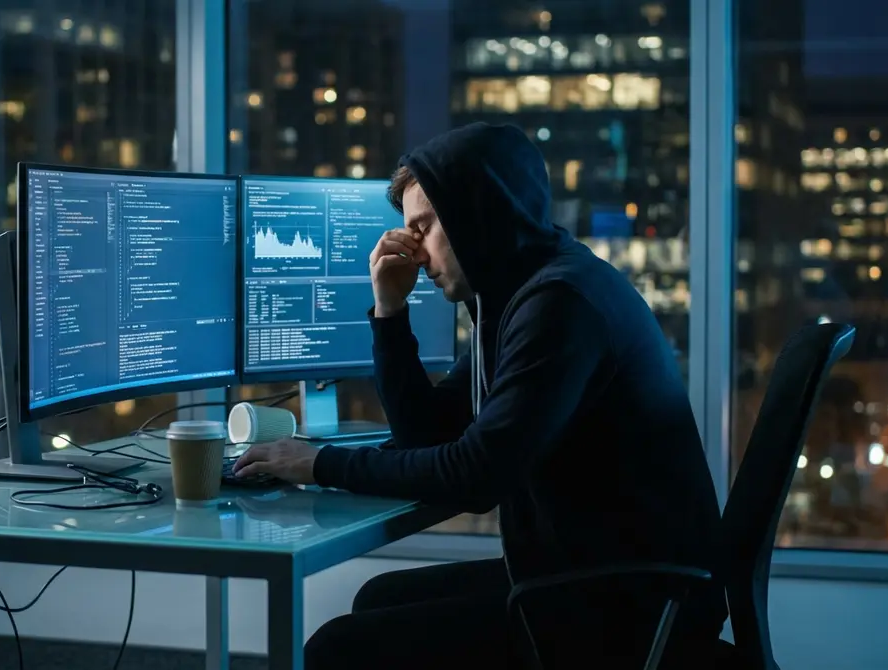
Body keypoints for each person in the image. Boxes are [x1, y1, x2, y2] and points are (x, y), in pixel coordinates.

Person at [233, 122, 727, 669]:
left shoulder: (560, 306)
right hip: (591, 574)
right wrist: (390, 312)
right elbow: (426, 434)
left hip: (632, 603)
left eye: (423, 227)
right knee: (379, 599)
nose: (414, 253)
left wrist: (319, 463)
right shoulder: (515, 295)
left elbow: (474, 477)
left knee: (336, 650)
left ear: (479, 216)